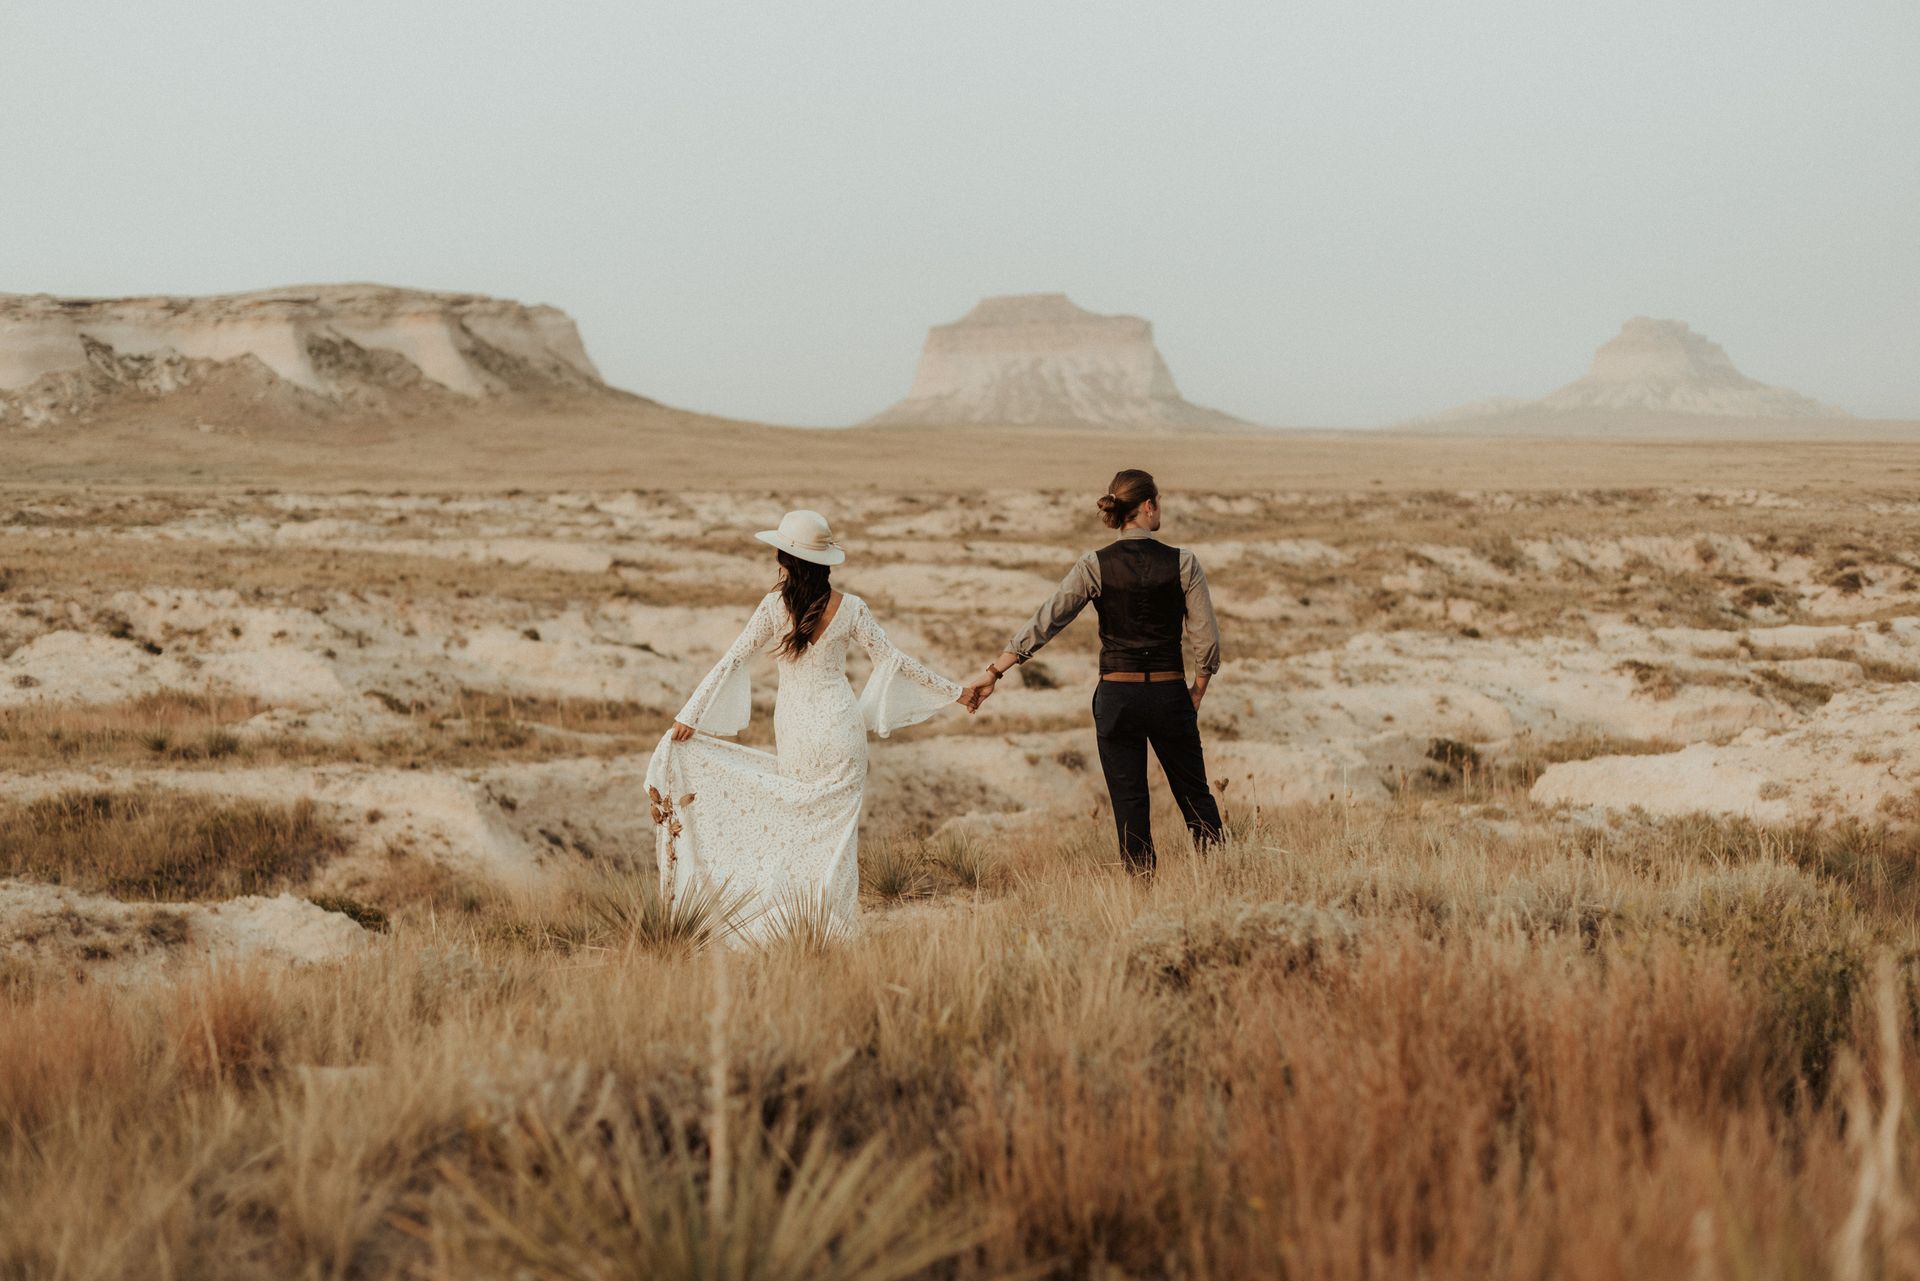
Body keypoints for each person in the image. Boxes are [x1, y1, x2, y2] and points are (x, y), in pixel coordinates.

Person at [646, 509, 966, 939]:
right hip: (840, 730)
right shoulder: (851, 608)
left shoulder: (774, 606)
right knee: (837, 836)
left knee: (797, 827)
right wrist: (957, 691)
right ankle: (833, 926)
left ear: (785, 560)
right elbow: (894, 661)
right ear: (825, 561)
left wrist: (691, 714)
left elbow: (734, 658)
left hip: (796, 731)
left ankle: (800, 927)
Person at [962, 469, 1223, 874]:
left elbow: (1047, 621)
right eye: (1159, 504)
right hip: (1170, 693)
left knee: (1129, 801)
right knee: (1195, 795)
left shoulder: (1093, 565)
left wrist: (995, 671)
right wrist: (1197, 690)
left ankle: (1140, 890)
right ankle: (1221, 876)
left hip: (1118, 697)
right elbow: (1205, 640)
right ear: (1149, 506)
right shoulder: (1183, 562)